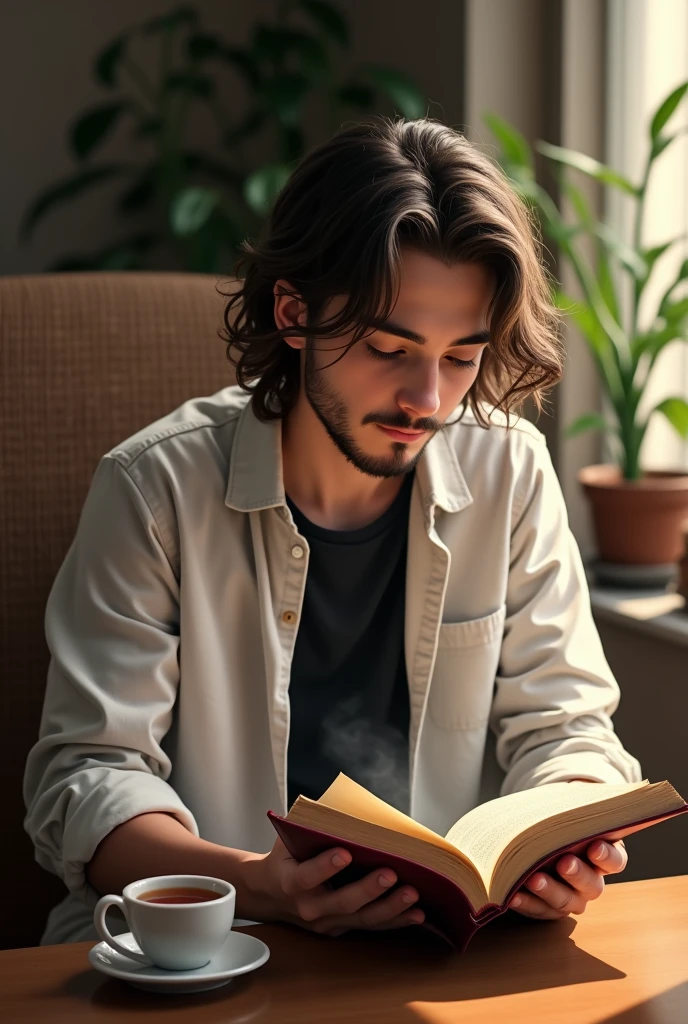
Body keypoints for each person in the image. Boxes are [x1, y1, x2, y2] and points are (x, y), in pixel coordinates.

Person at [24, 117, 640, 946]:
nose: (429, 398)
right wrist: (254, 885)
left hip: (434, 955)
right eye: (391, 347)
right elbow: (86, 777)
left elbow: (569, 729)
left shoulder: (512, 474)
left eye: (461, 356)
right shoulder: (154, 489)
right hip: (208, 946)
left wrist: (566, 834)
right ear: (294, 312)